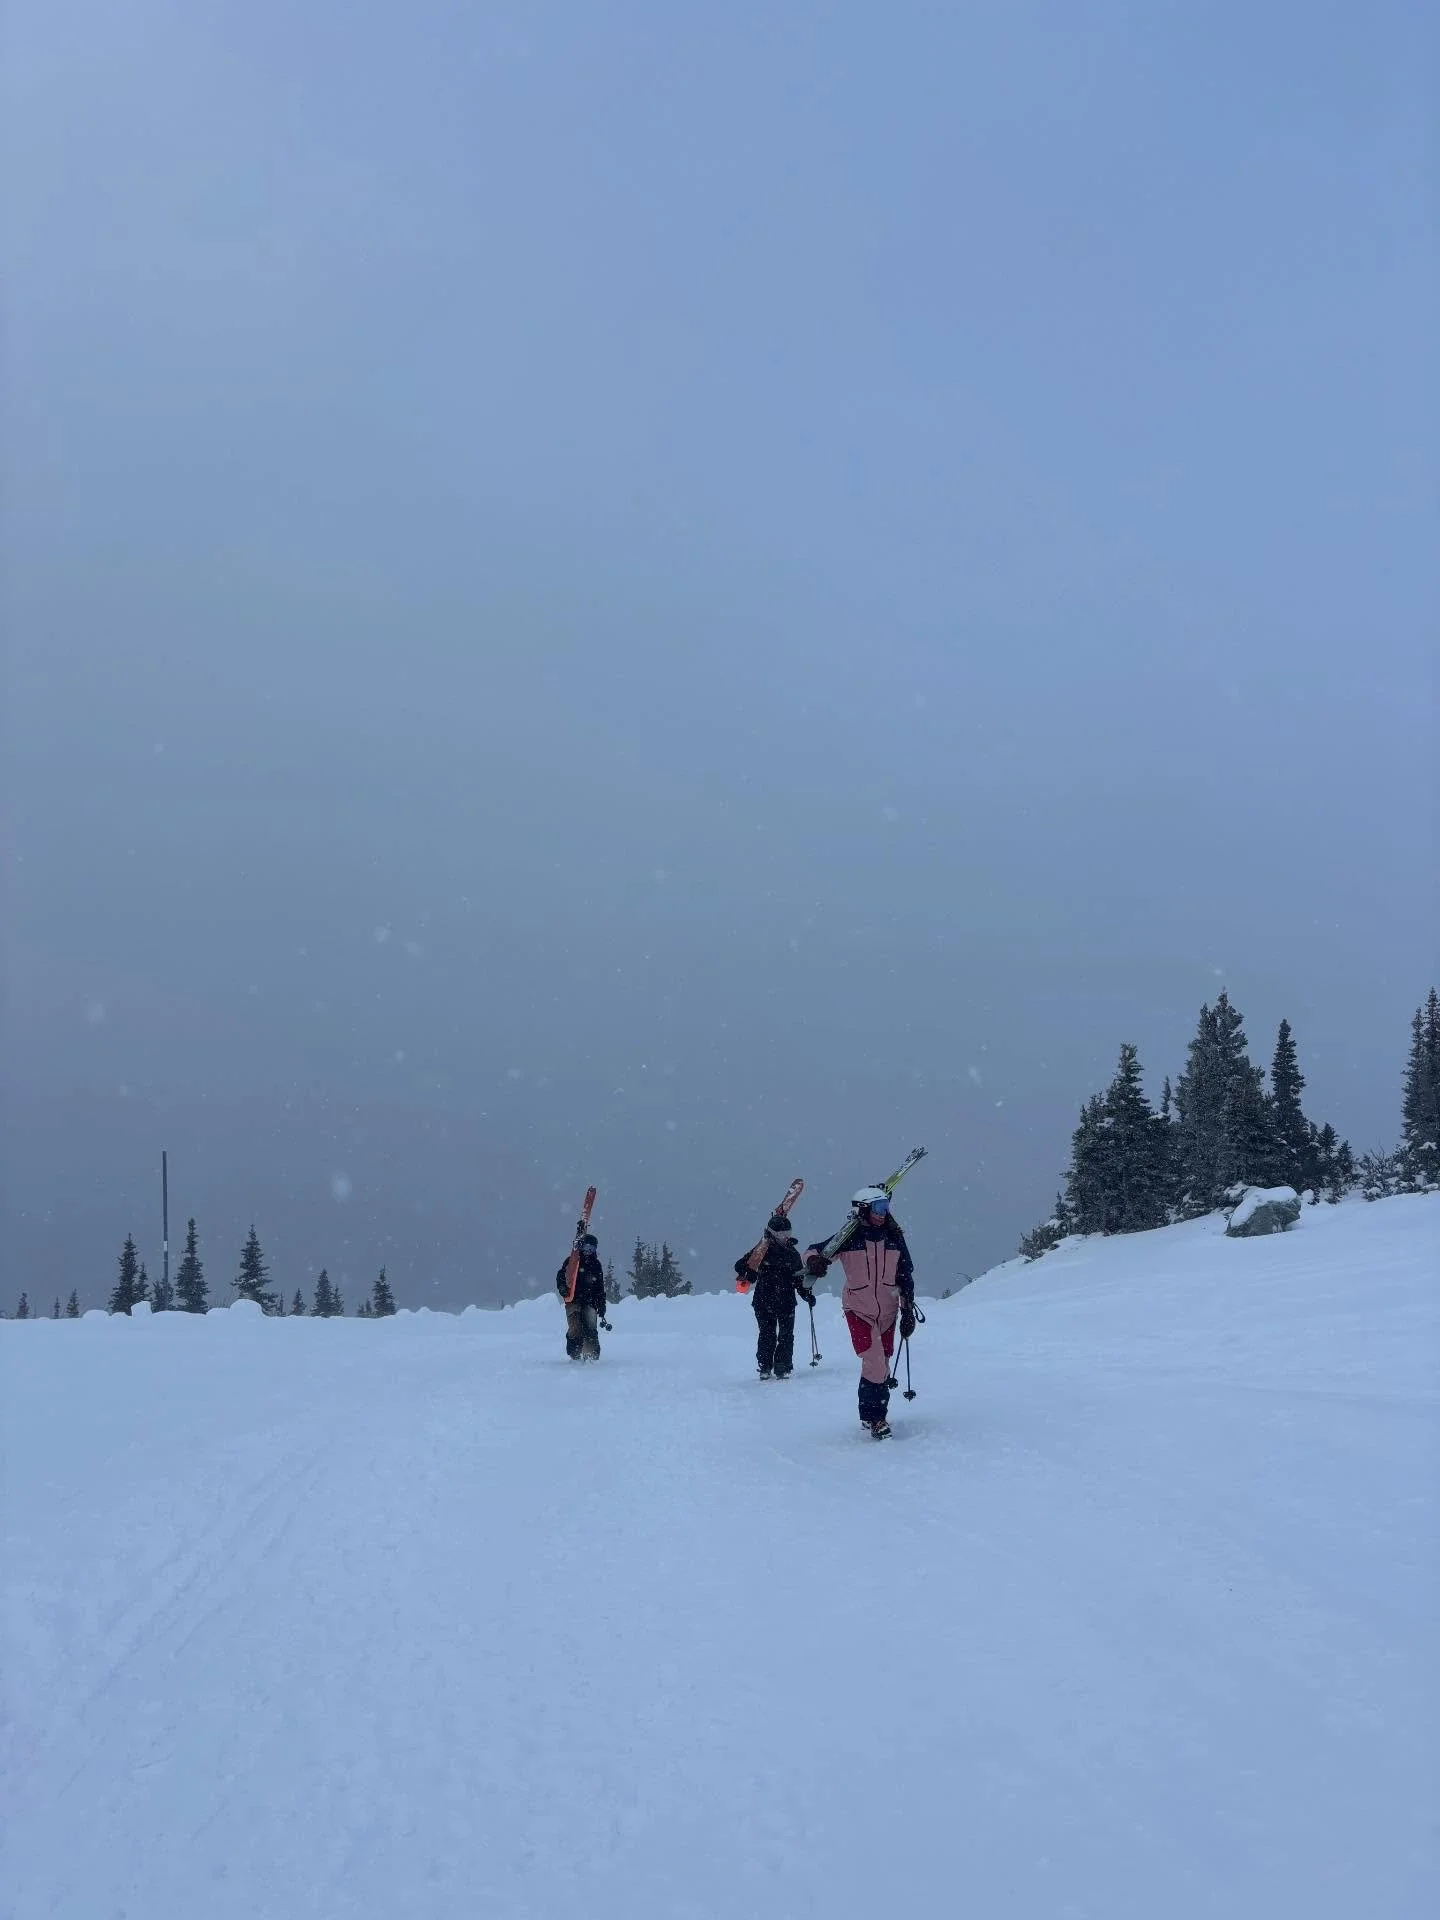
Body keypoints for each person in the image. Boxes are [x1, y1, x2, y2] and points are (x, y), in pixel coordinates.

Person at [806, 1188, 916, 1436]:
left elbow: (905, 1276)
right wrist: (814, 1262)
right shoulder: (849, 1237)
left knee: (882, 1364)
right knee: (874, 1361)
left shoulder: (893, 1237)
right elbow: (814, 1251)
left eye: (886, 1207)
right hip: (858, 1309)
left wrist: (907, 1311)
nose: (883, 1213)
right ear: (863, 1209)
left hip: (888, 1311)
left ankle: (872, 1415)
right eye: (878, 1208)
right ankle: (876, 1419)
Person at [734, 1211, 814, 1379]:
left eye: (789, 1233)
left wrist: (806, 1293)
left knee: (786, 1334)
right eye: (782, 1234)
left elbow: (798, 1278)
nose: (786, 1237)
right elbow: (740, 1265)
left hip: (786, 1300)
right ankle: (765, 1366)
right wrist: (748, 1272)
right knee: (767, 1333)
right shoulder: (761, 1250)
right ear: (773, 1233)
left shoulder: (792, 1253)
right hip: (764, 1300)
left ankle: (782, 1366)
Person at [556, 1233, 607, 1361]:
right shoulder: (572, 1261)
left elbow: (600, 1288)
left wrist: (601, 1305)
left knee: (590, 1328)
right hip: (573, 1301)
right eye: (587, 1247)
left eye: (592, 1248)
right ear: (582, 1246)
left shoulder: (596, 1265)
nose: (589, 1251)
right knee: (575, 1328)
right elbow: (561, 1276)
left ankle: (591, 1355)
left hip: (590, 1302)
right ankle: (575, 1354)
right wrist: (562, 1288)